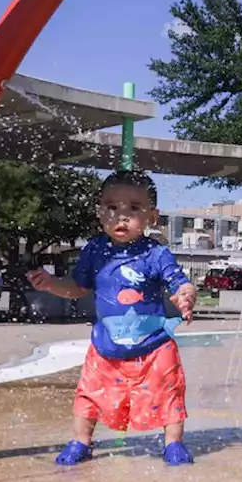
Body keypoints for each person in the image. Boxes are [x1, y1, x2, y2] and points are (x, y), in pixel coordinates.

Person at [26, 170, 199, 465]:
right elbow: (78, 288)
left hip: (153, 345)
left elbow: (180, 282)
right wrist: (53, 284)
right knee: (89, 394)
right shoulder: (94, 251)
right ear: (99, 213)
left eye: (133, 208)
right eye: (111, 207)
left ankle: (173, 442)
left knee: (168, 390)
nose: (121, 216)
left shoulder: (157, 254)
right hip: (106, 346)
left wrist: (186, 294)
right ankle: (81, 441)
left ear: (152, 217)